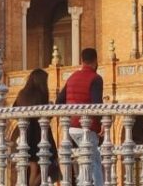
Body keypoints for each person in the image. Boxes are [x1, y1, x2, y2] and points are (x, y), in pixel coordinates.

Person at [56, 47, 104, 186]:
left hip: (72, 128)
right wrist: (103, 124)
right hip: (87, 128)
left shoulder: (72, 77)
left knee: (87, 158)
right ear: (95, 61)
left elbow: (59, 101)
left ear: (81, 61)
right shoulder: (96, 78)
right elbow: (97, 104)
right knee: (94, 161)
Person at [13, 69, 58, 186]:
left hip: (27, 134)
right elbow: (45, 117)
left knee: (34, 168)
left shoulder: (22, 93)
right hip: (40, 134)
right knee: (50, 163)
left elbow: (14, 108)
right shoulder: (41, 94)